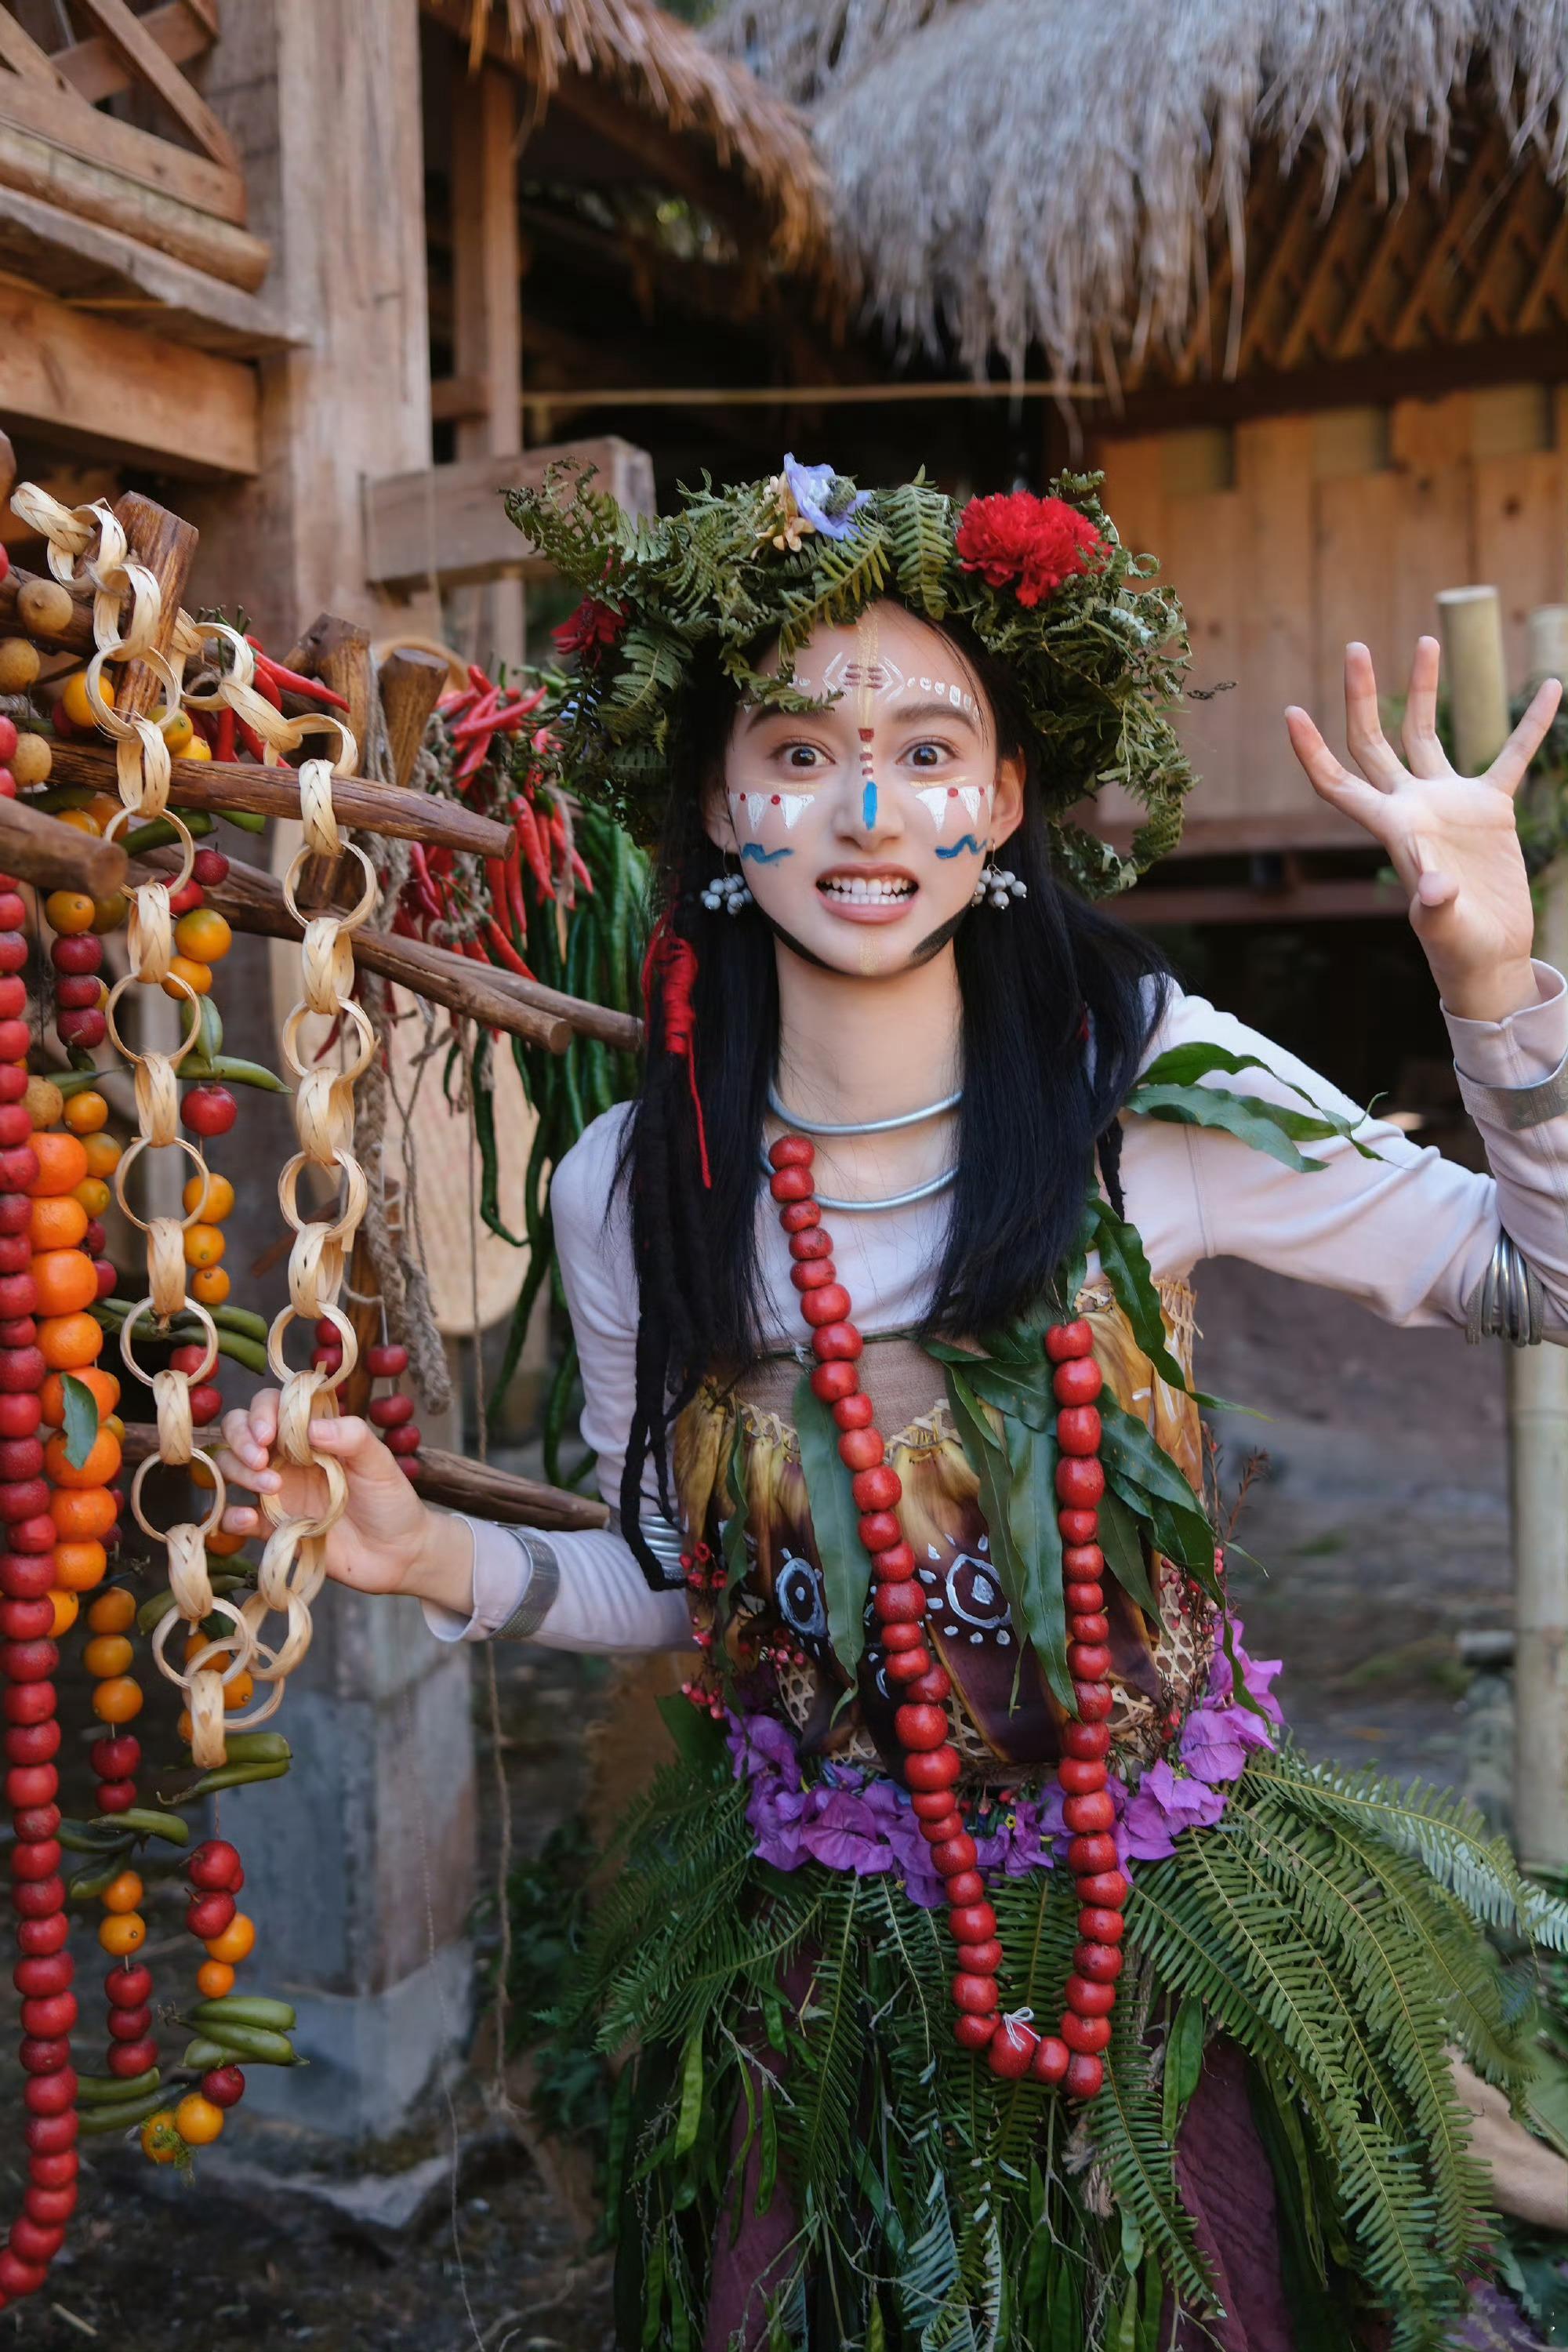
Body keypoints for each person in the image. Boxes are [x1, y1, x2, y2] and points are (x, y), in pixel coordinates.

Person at [216, 461, 1568, 2350]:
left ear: (1007, 799)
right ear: (717, 801)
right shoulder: (632, 1183)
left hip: (1159, 1960)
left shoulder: (1137, 1084)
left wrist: (1489, 970)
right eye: (795, 750)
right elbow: (676, 1585)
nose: (866, 809)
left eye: (931, 748)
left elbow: (1543, 1280)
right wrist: (426, 1548)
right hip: (815, 1980)